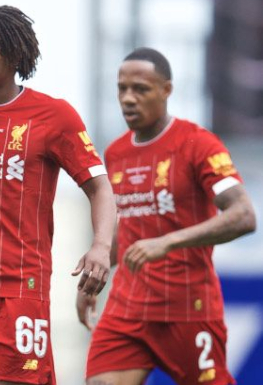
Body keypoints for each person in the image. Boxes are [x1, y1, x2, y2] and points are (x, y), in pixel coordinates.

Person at [0, 6, 114, 385]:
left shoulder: (53, 116)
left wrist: (101, 246)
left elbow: (99, 187)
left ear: (14, 54)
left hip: (18, 290)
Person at [79, 47, 257, 385]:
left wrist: (169, 242)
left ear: (166, 90)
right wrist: (96, 271)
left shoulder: (198, 144)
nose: (128, 98)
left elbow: (243, 215)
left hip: (187, 310)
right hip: (127, 311)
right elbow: (128, 227)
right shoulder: (116, 152)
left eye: (141, 89)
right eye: (122, 88)